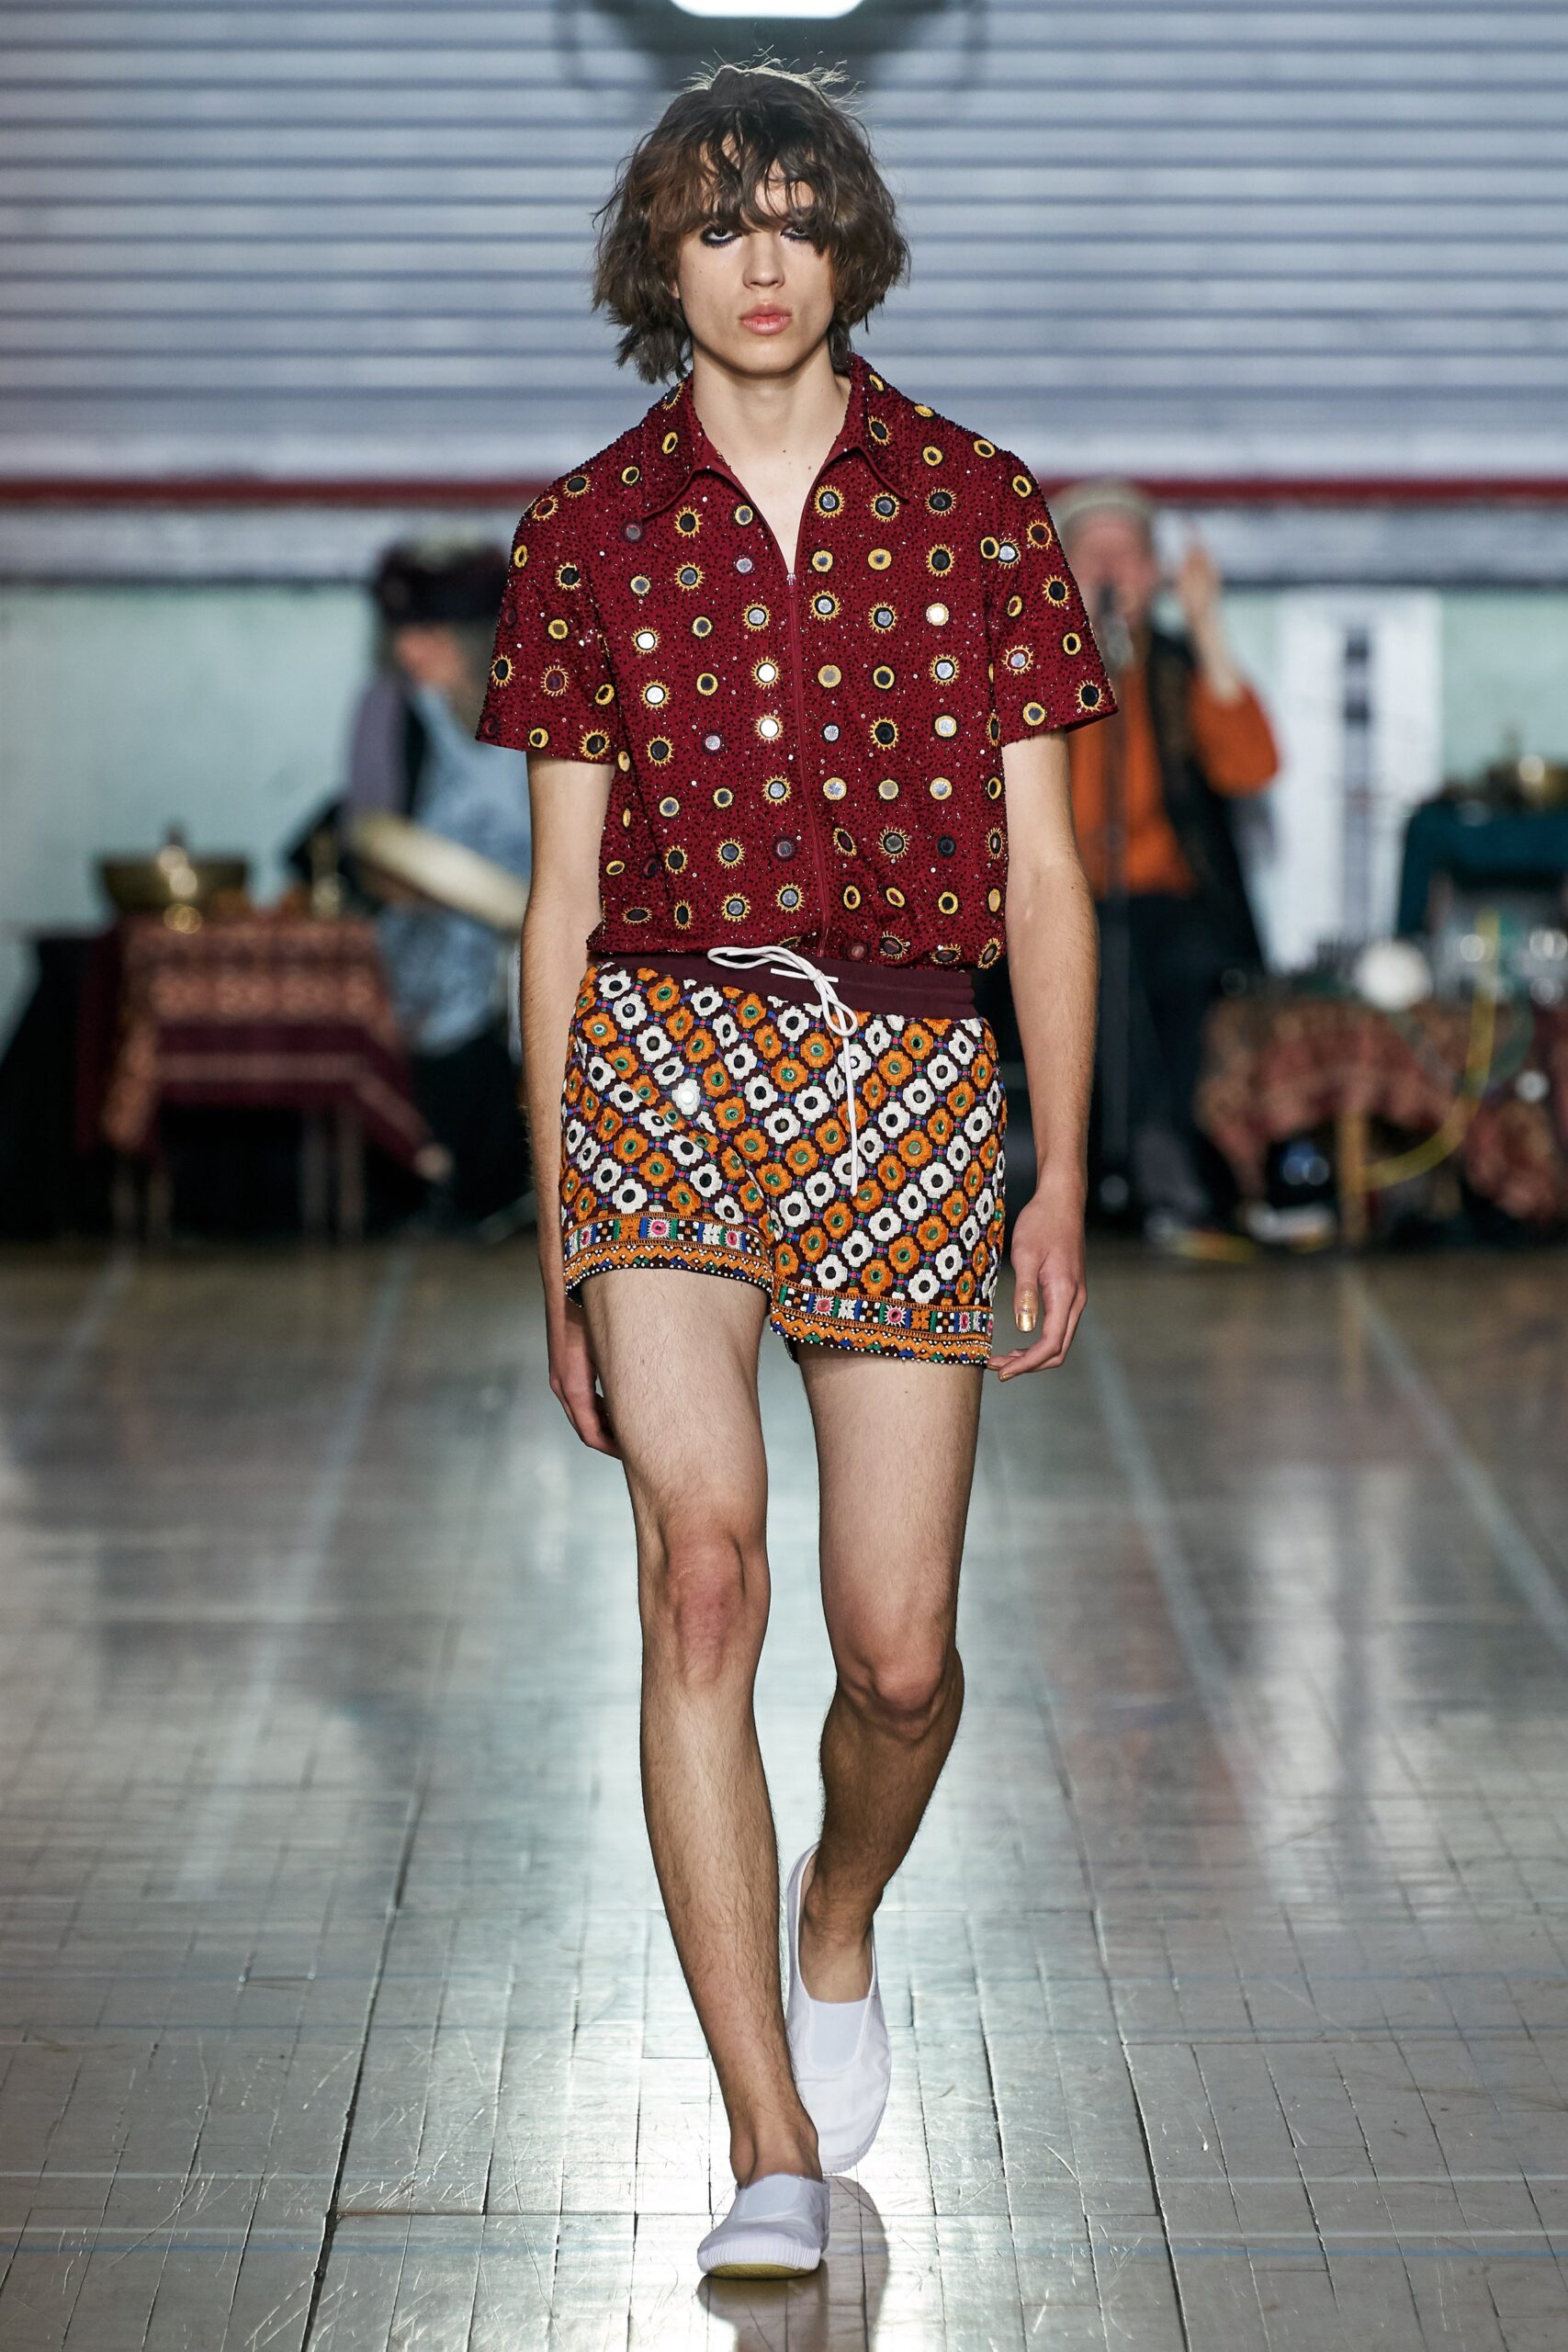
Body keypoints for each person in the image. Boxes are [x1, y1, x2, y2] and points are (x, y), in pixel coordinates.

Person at [479, 65, 1113, 2280]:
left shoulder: (976, 505)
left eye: (794, 217)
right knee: (702, 1579)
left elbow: (1043, 876)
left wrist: (1055, 1167)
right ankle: (761, 2136)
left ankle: (834, 1907)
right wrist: (569, 1230)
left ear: (847, 247)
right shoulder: (581, 534)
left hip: (909, 1065)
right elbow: (556, 909)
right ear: (657, 259)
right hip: (660, 1043)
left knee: (900, 1651)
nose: (757, 259)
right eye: (714, 220)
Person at [1052, 480, 1279, 1239]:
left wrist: (1208, 626)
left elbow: (1251, 767)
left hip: (1167, 900)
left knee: (1177, 964)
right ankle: (1144, 1172)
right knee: (1093, 963)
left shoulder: (1180, 666)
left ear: (1154, 574)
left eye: (1129, 555)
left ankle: (1174, 1168)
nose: (1113, 571)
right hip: (1056, 899)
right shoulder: (1021, 669)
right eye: (1092, 555)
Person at [345, 539, 535, 1228]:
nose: (409, 653)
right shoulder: (389, 713)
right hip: (430, 934)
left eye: (430, 636)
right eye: (401, 635)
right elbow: (372, 851)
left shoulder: (543, 705)